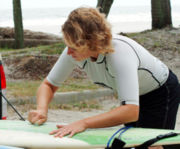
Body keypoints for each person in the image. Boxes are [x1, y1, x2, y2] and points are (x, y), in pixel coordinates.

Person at [28, 7, 180, 149]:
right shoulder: (73, 51)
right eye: (67, 44)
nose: (68, 52)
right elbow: (48, 85)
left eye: (73, 47)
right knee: (128, 141)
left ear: (91, 43)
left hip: (160, 92)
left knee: (151, 144)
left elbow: (130, 111)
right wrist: (42, 109)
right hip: (133, 98)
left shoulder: (120, 53)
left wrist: (84, 123)